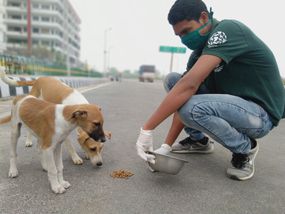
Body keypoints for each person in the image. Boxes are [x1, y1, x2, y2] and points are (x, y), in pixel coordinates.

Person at [136, 0, 285, 181]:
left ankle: (245, 148)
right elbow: (182, 90)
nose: (184, 39)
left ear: (204, 17)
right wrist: (165, 147)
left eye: (186, 31)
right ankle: (199, 141)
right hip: (233, 106)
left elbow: (189, 86)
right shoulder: (199, 53)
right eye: (179, 35)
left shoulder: (227, 30)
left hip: (260, 115)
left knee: (191, 105)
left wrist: (147, 129)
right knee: (175, 81)